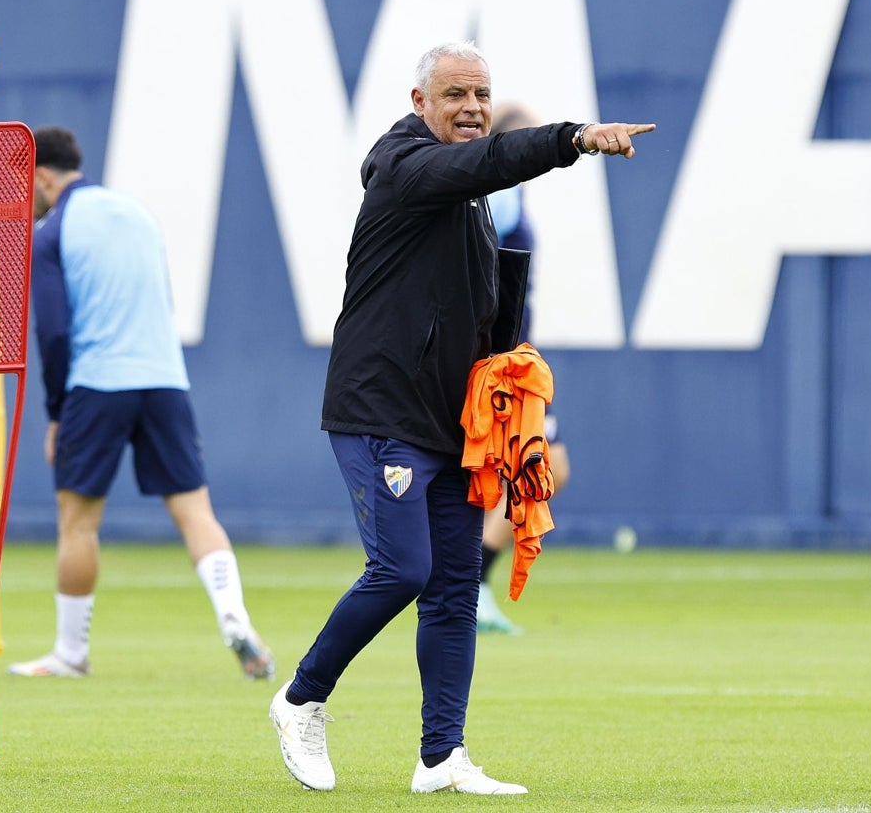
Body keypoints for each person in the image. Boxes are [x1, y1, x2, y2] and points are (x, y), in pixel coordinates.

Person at [267, 42, 653, 795]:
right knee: (404, 568)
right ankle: (300, 698)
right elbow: (480, 166)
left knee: (453, 583)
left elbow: (478, 311)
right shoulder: (405, 166)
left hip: (448, 423)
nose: (471, 107)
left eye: (481, 93)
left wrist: (507, 402)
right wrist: (572, 137)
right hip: (381, 411)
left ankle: (442, 756)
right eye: (455, 95)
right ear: (420, 103)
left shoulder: (469, 200)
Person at [8, 126, 274, 681]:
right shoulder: (136, 213)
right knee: (196, 512)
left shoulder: (52, 231)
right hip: (164, 381)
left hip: (97, 382)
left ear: (41, 177)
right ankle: (234, 617)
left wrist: (57, 412)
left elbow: (53, 333)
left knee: (78, 523)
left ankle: (69, 653)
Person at [476, 103, 572, 635]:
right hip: (509, 361)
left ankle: (470, 585)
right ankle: (470, 584)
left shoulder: (503, 194)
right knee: (539, 471)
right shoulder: (504, 193)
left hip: (513, 355)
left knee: (539, 471)